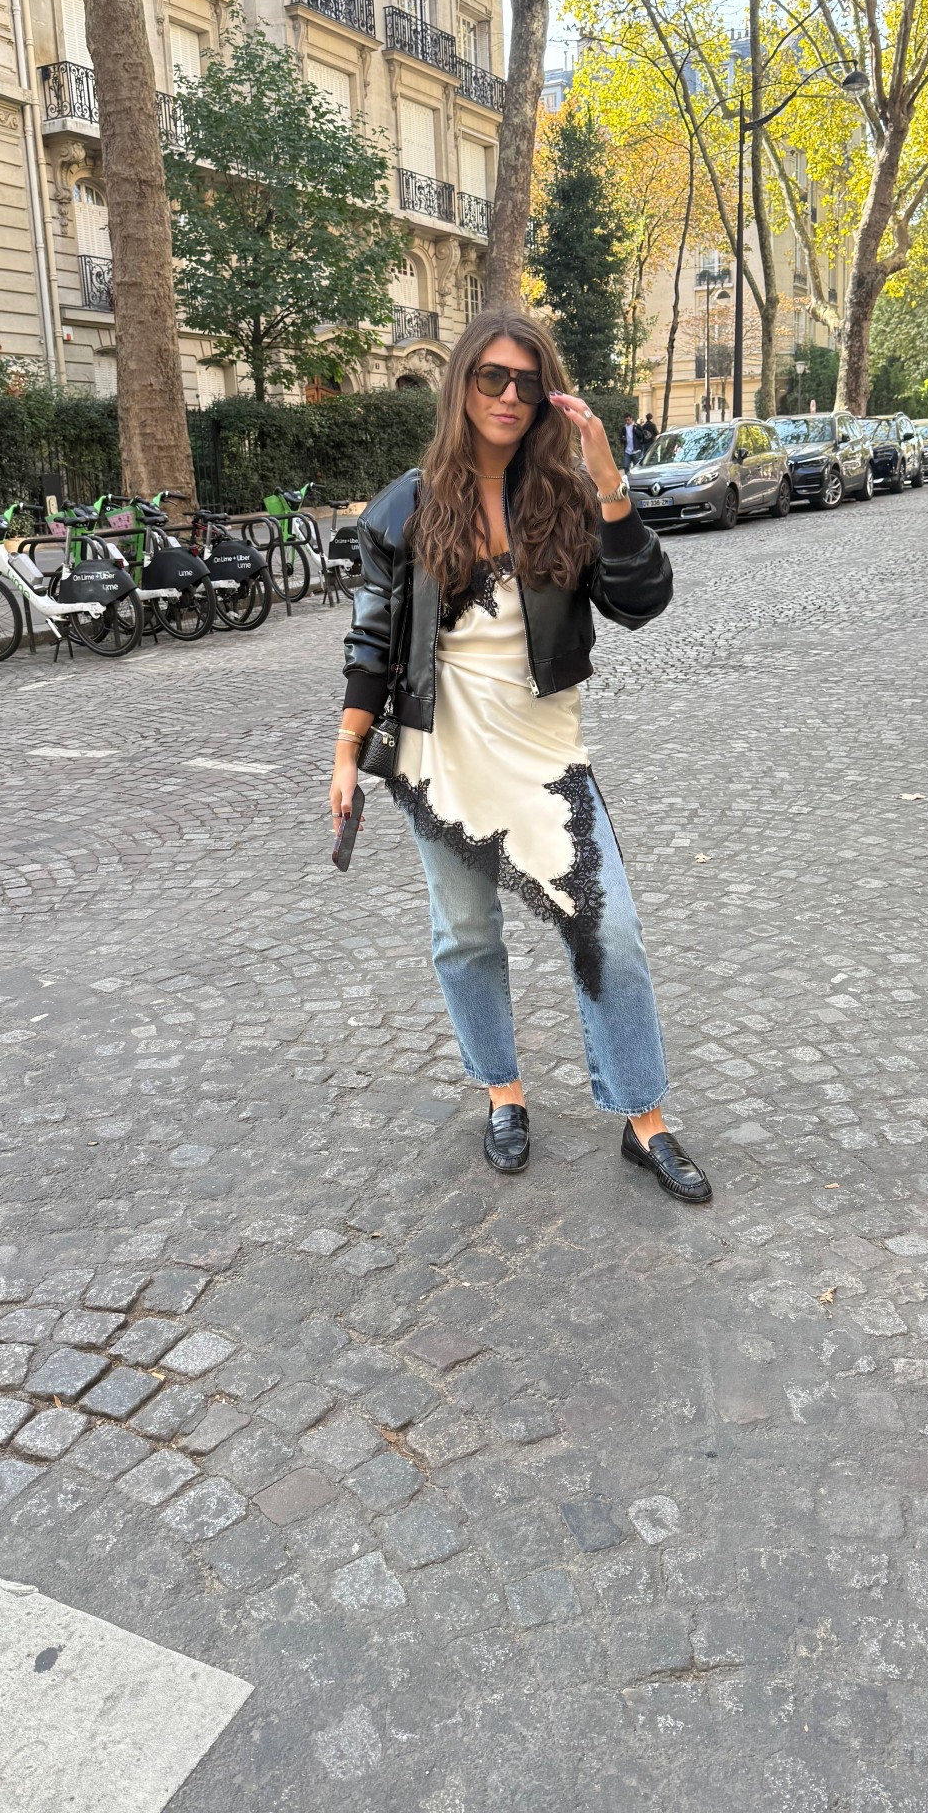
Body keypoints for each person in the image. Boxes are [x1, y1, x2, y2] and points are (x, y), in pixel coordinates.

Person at [330, 307, 711, 1205]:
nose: (509, 395)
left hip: (545, 753)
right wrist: (347, 751)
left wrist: (609, 484)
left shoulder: (567, 498)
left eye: (528, 382)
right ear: (462, 384)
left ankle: (643, 1116)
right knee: (465, 935)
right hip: (437, 757)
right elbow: (371, 640)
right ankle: (503, 1094)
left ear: (547, 397)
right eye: (492, 377)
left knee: (608, 931)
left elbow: (641, 603)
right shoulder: (404, 505)